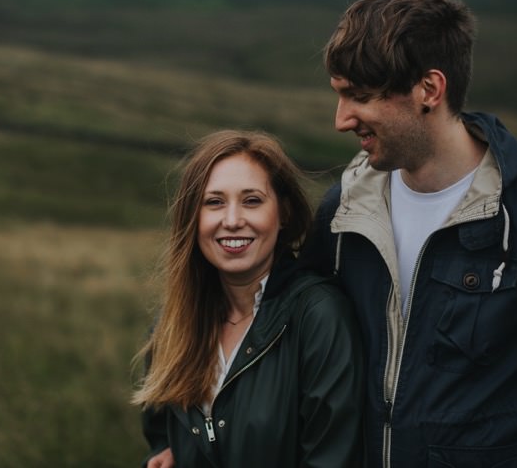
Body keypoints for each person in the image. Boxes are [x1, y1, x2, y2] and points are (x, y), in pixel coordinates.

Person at [308, 0, 517, 467]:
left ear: (429, 89)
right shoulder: (343, 213)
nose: (341, 119)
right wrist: (180, 438)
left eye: (358, 96)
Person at [133, 130, 364, 468]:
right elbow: (160, 429)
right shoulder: (173, 323)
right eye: (214, 202)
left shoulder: (318, 316)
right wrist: (164, 454)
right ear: (192, 218)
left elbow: (334, 457)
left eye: (252, 200)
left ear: (283, 211)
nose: (232, 220)